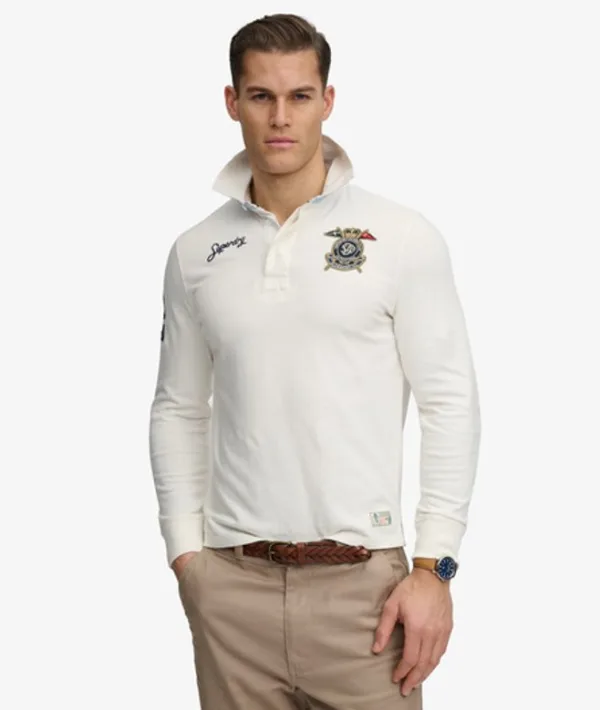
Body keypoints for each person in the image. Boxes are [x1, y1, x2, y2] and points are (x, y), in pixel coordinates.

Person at [148, 12, 481, 710]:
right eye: (261, 96)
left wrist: (435, 568)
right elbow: (178, 406)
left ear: (327, 101)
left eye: (299, 96)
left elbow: (449, 401)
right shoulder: (195, 252)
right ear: (232, 102)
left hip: (367, 597)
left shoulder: (400, 236)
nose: (280, 117)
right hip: (232, 592)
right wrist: (186, 556)